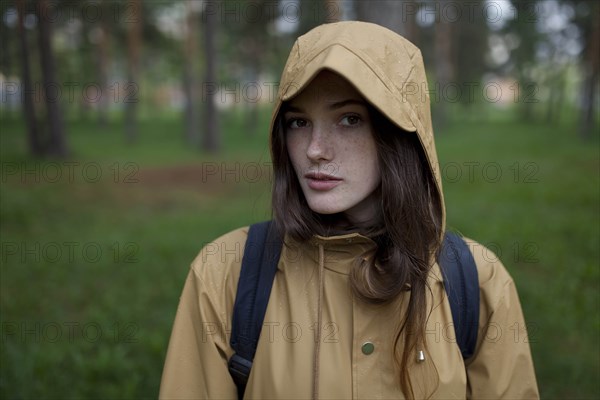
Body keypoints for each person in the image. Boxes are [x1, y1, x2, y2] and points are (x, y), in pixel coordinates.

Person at [159, 21, 539, 399]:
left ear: (402, 132)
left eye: (349, 119)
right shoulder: (225, 274)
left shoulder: (478, 282)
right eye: (298, 122)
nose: (313, 149)